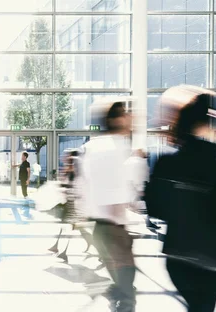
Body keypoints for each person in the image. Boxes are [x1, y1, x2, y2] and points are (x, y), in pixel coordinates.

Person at [145, 87, 216, 312]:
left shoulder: (167, 162)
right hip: (208, 256)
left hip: (178, 255)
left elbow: (156, 209)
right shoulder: (213, 156)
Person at [80, 100, 139, 311]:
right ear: (114, 120)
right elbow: (119, 193)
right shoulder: (118, 147)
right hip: (114, 228)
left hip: (99, 227)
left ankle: (117, 296)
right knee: (126, 295)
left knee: (120, 287)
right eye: (125, 114)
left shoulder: (91, 147)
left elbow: (84, 184)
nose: (130, 117)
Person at [48, 149, 94, 264]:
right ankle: (58, 246)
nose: (65, 158)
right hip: (68, 203)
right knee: (68, 226)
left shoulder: (76, 169)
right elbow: (64, 184)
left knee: (69, 227)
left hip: (73, 204)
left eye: (67, 156)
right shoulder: (69, 169)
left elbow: (76, 187)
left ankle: (64, 252)